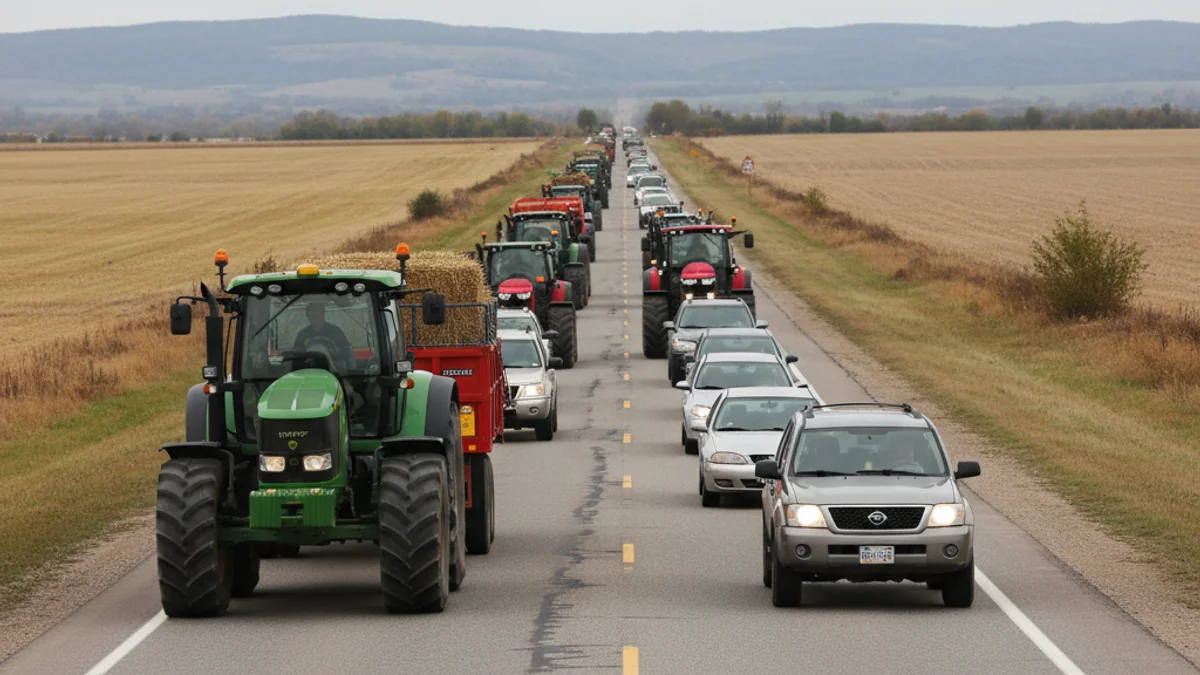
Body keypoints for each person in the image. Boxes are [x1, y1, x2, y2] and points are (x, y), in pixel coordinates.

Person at [293, 302, 354, 369]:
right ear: (307, 316)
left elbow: (346, 352)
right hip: (309, 370)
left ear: (323, 313)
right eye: (311, 313)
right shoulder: (302, 334)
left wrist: (331, 355)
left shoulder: (335, 331)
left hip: (333, 370)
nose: (314, 315)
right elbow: (296, 354)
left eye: (317, 312)